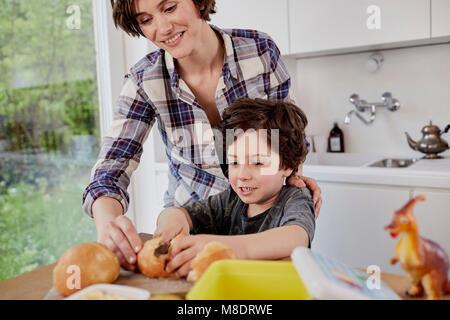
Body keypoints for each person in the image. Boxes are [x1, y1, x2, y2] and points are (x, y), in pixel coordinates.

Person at [82, 0, 322, 271]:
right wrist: (109, 225)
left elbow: (291, 137)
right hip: (192, 239)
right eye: (146, 20)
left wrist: (292, 175)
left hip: (266, 237)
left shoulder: (260, 51)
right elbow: (111, 169)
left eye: (170, 7)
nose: (163, 28)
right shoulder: (144, 80)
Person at [156, 98, 315, 277]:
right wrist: (173, 222)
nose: (242, 175)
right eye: (234, 162)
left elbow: (296, 238)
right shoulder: (230, 201)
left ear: (286, 165)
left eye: (257, 162)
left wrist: (228, 248)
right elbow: (178, 213)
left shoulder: (295, 199)